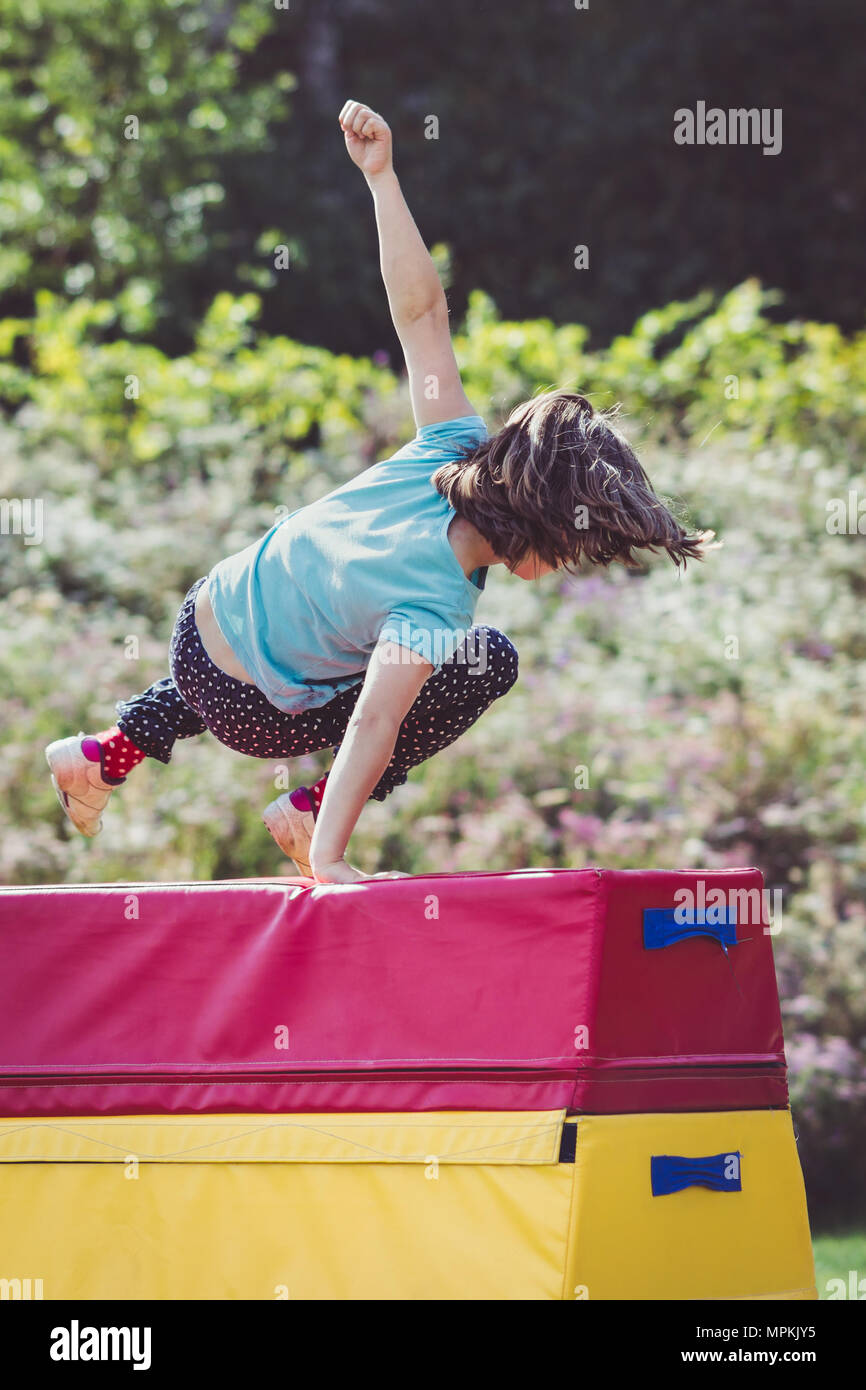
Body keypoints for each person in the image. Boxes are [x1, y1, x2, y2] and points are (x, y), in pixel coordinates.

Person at [46, 101, 709, 884]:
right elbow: (374, 721)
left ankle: (103, 755)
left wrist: (383, 176)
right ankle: (307, 810)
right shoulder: (433, 607)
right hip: (248, 711)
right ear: (541, 527)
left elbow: (422, 315)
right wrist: (328, 850)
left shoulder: (450, 443)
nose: (573, 569)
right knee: (485, 661)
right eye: (575, 551)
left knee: (308, 618)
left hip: (201, 621)